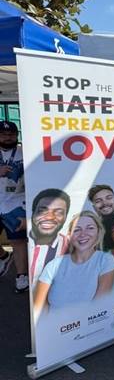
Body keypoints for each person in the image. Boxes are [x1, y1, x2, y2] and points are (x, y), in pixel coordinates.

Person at [32, 211, 114, 324]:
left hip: (85, 331)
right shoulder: (54, 264)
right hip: (53, 330)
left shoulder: (105, 260)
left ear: (98, 232)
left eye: (90, 228)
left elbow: (99, 305)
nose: (83, 234)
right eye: (77, 229)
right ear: (69, 236)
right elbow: (39, 307)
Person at [0, 121, 28, 293]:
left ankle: (21, 275)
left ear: (16, 135)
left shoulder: (24, 151)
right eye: (3, 134)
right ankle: (3, 256)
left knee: (17, 241)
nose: (7, 137)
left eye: (11, 134)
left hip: (17, 201)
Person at [29, 188, 70, 289]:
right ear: (33, 213)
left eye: (58, 212)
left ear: (65, 217)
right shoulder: (21, 245)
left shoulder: (72, 246)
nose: (50, 217)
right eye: (42, 211)